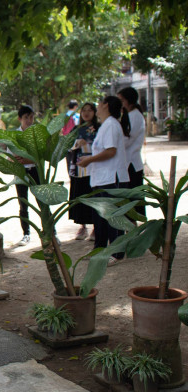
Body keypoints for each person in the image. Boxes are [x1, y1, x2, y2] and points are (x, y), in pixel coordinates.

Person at [77, 96, 130, 266]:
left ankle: (117, 252)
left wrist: (90, 160)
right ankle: (99, 248)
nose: (97, 106)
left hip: (111, 178)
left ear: (106, 105)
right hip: (101, 178)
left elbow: (110, 151)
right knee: (100, 217)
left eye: (99, 104)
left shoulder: (112, 125)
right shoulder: (105, 125)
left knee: (112, 217)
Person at [68, 103, 99, 241]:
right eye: (84, 110)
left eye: (89, 110)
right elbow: (68, 145)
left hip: (94, 166)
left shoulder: (99, 128)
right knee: (80, 195)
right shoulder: (76, 128)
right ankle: (82, 226)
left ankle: (95, 228)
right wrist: (77, 144)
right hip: (79, 167)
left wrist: (87, 143)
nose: (86, 113)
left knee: (93, 195)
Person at [117, 87, 146, 219]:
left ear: (128, 101)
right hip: (127, 162)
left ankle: (132, 231)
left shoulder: (134, 116)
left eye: (121, 100)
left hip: (132, 163)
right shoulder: (129, 115)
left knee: (132, 201)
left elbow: (127, 140)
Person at [13, 105, 38, 246]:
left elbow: (39, 157)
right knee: (23, 204)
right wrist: (23, 159)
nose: (29, 120)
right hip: (20, 172)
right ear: (20, 119)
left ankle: (51, 232)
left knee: (42, 202)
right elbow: (12, 157)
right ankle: (26, 234)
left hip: (36, 171)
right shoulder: (15, 135)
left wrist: (26, 159)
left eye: (31, 117)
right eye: (26, 117)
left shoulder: (36, 133)